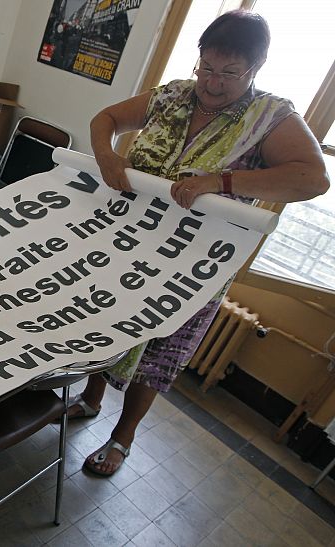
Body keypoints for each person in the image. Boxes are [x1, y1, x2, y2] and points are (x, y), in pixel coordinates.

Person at [75, 10, 330, 476]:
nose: (212, 83)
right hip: (130, 242)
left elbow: (312, 179)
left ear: (256, 67)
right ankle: (91, 397)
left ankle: (121, 438)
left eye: (229, 74)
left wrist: (223, 181)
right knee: (107, 321)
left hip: (194, 265)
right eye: (206, 68)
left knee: (159, 348)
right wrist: (109, 158)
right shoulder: (173, 95)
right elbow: (106, 117)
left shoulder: (269, 117)